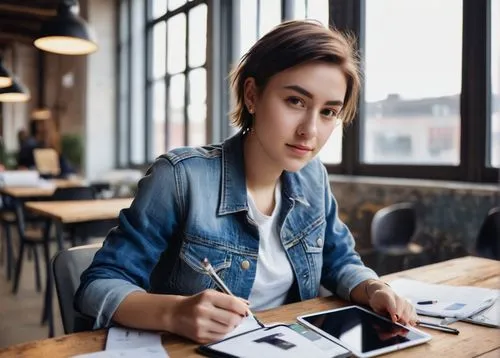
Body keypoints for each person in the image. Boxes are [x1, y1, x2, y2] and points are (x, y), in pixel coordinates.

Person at [75, 20, 418, 344]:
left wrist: (373, 287)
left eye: (328, 112)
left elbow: (339, 260)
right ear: (252, 95)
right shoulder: (181, 177)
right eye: (295, 101)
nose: (310, 131)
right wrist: (175, 313)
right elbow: (98, 285)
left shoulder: (313, 177)